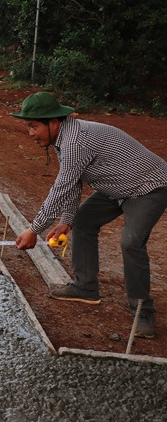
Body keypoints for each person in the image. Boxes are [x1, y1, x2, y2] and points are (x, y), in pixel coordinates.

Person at [11, 92, 167, 338]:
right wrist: (67, 220)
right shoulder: (64, 138)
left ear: (53, 122)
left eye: (33, 126)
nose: (30, 133)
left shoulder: (75, 142)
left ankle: (143, 311)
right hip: (116, 187)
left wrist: (34, 230)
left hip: (148, 187)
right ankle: (85, 287)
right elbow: (73, 182)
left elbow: (61, 187)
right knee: (82, 220)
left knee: (131, 242)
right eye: (28, 127)